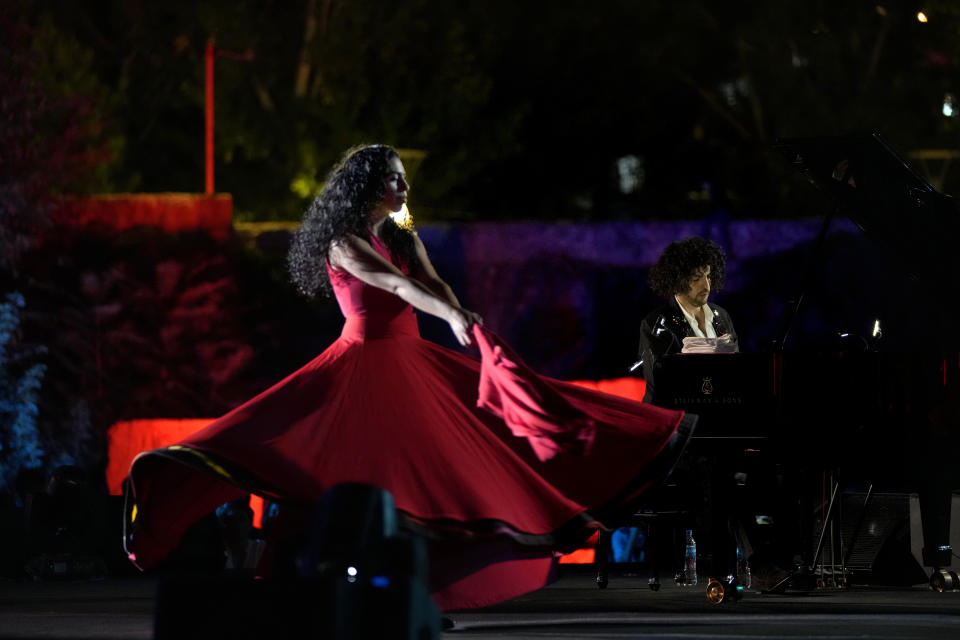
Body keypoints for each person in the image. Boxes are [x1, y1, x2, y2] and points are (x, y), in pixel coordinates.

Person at [123, 144, 695, 611]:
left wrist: (460, 320)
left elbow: (432, 282)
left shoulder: (401, 236)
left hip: (414, 362)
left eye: (403, 180)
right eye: (394, 181)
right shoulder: (344, 242)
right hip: (362, 367)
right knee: (356, 478)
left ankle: (417, 596)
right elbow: (397, 288)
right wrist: (448, 315)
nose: (403, 189)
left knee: (438, 478)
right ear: (367, 186)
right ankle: (319, 588)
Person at [636, 237, 738, 404]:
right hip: (678, 418)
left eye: (708, 276)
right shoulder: (655, 323)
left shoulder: (722, 315)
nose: (706, 286)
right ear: (678, 280)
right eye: (697, 278)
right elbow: (661, 384)